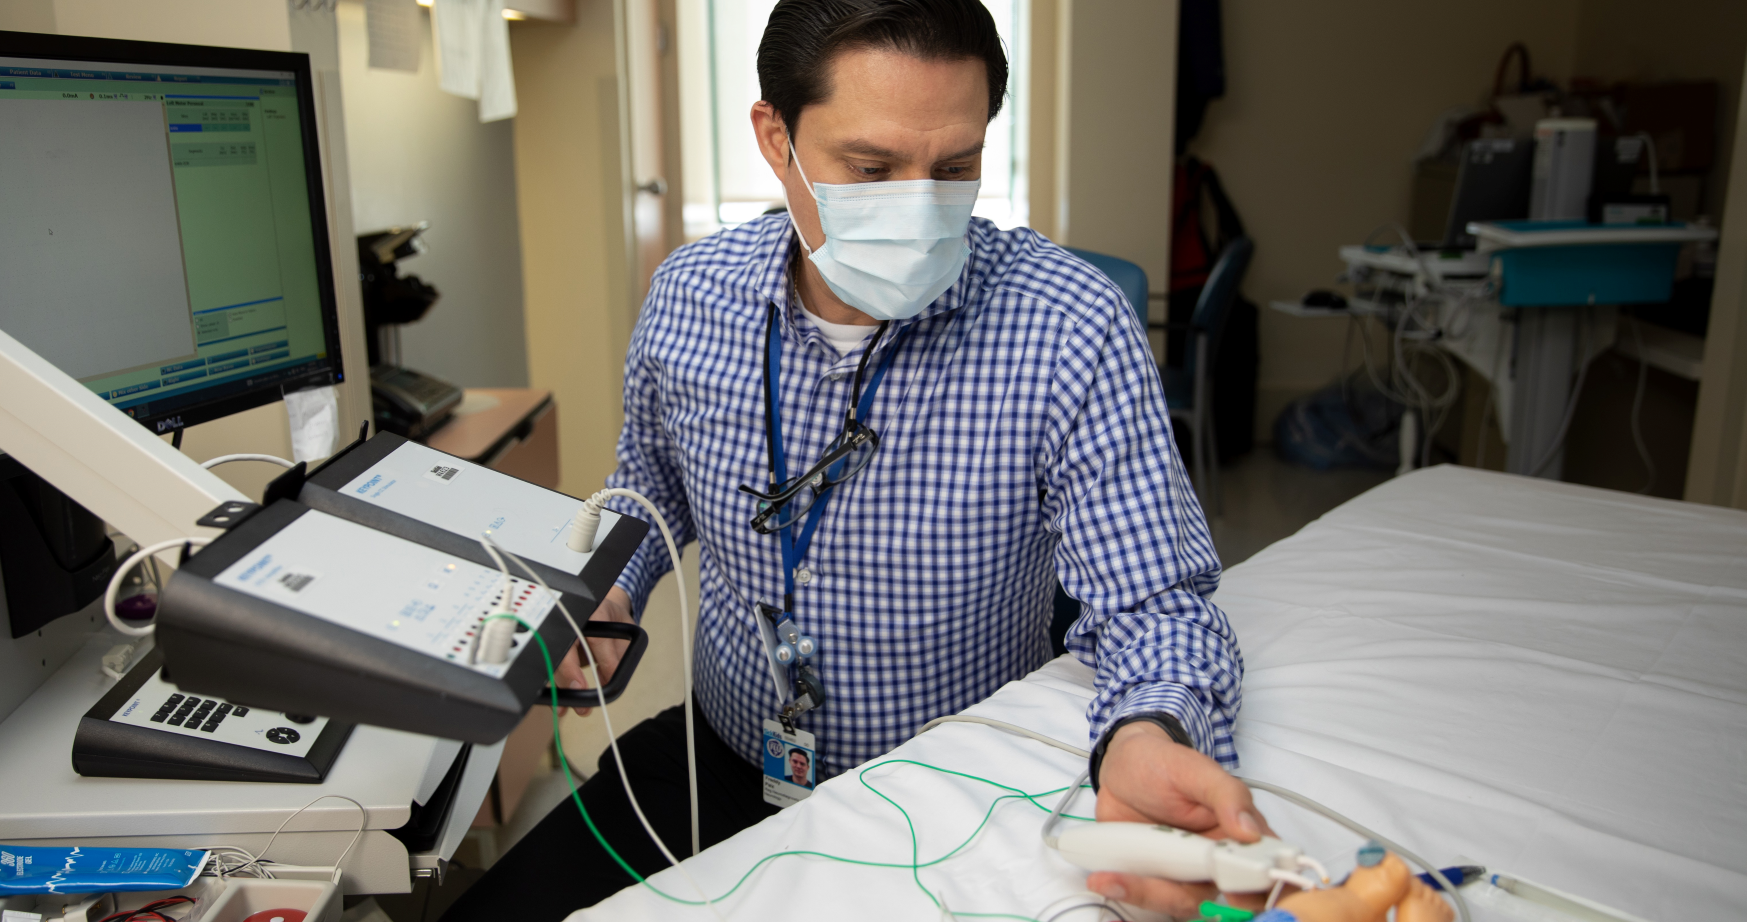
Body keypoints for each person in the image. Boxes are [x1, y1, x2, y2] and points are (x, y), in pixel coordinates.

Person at [443, 1, 1257, 918]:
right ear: (775, 136)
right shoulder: (690, 297)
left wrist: (1148, 733)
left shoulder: (1068, 325)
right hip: (733, 758)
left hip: (959, 787)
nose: (918, 207)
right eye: (870, 170)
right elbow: (650, 487)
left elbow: (1154, 602)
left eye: (955, 169)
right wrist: (614, 582)